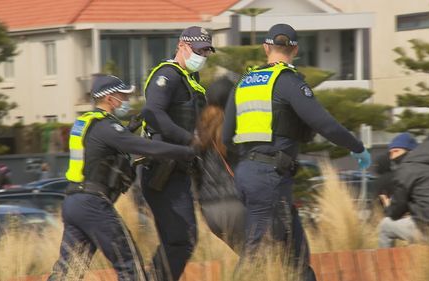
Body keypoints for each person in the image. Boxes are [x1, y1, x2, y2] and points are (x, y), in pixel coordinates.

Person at [222, 23, 371, 280]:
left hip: (250, 173)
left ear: (265, 48)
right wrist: (357, 147)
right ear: (296, 49)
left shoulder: (243, 82)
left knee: (296, 255)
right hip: (269, 177)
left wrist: (248, 166)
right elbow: (324, 124)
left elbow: (226, 136)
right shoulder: (288, 82)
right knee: (255, 253)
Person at [48, 74, 196, 281]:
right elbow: (144, 146)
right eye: (123, 96)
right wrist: (185, 151)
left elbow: (99, 154)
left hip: (73, 203)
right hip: (94, 206)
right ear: (110, 98)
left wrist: (129, 128)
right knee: (130, 266)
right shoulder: (106, 127)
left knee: (68, 271)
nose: (126, 100)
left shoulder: (86, 123)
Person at [140, 26, 214, 281]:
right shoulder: (167, 75)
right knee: (182, 239)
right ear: (182, 46)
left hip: (180, 171)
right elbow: (153, 112)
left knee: (179, 240)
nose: (202, 55)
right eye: (198, 50)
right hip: (162, 171)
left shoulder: (191, 80)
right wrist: (189, 140)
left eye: (206, 51)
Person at [378, 133, 429, 248]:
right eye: (390, 153)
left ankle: (384, 265)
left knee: (385, 226)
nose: (392, 157)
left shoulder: (407, 169)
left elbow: (396, 211)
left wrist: (388, 208)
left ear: (410, 151)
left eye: (396, 151)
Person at [195, 76, 246, 253]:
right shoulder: (236, 127)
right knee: (262, 256)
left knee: (248, 257)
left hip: (209, 210)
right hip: (236, 203)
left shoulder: (199, 129)